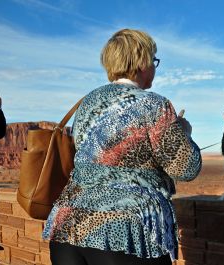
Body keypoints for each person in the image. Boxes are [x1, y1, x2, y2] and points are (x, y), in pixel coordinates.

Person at [42, 29, 202, 265]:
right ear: (141, 62)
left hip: (67, 226)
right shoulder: (154, 104)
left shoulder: (87, 103)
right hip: (122, 233)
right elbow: (187, 168)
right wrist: (185, 133)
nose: (155, 68)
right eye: (154, 61)